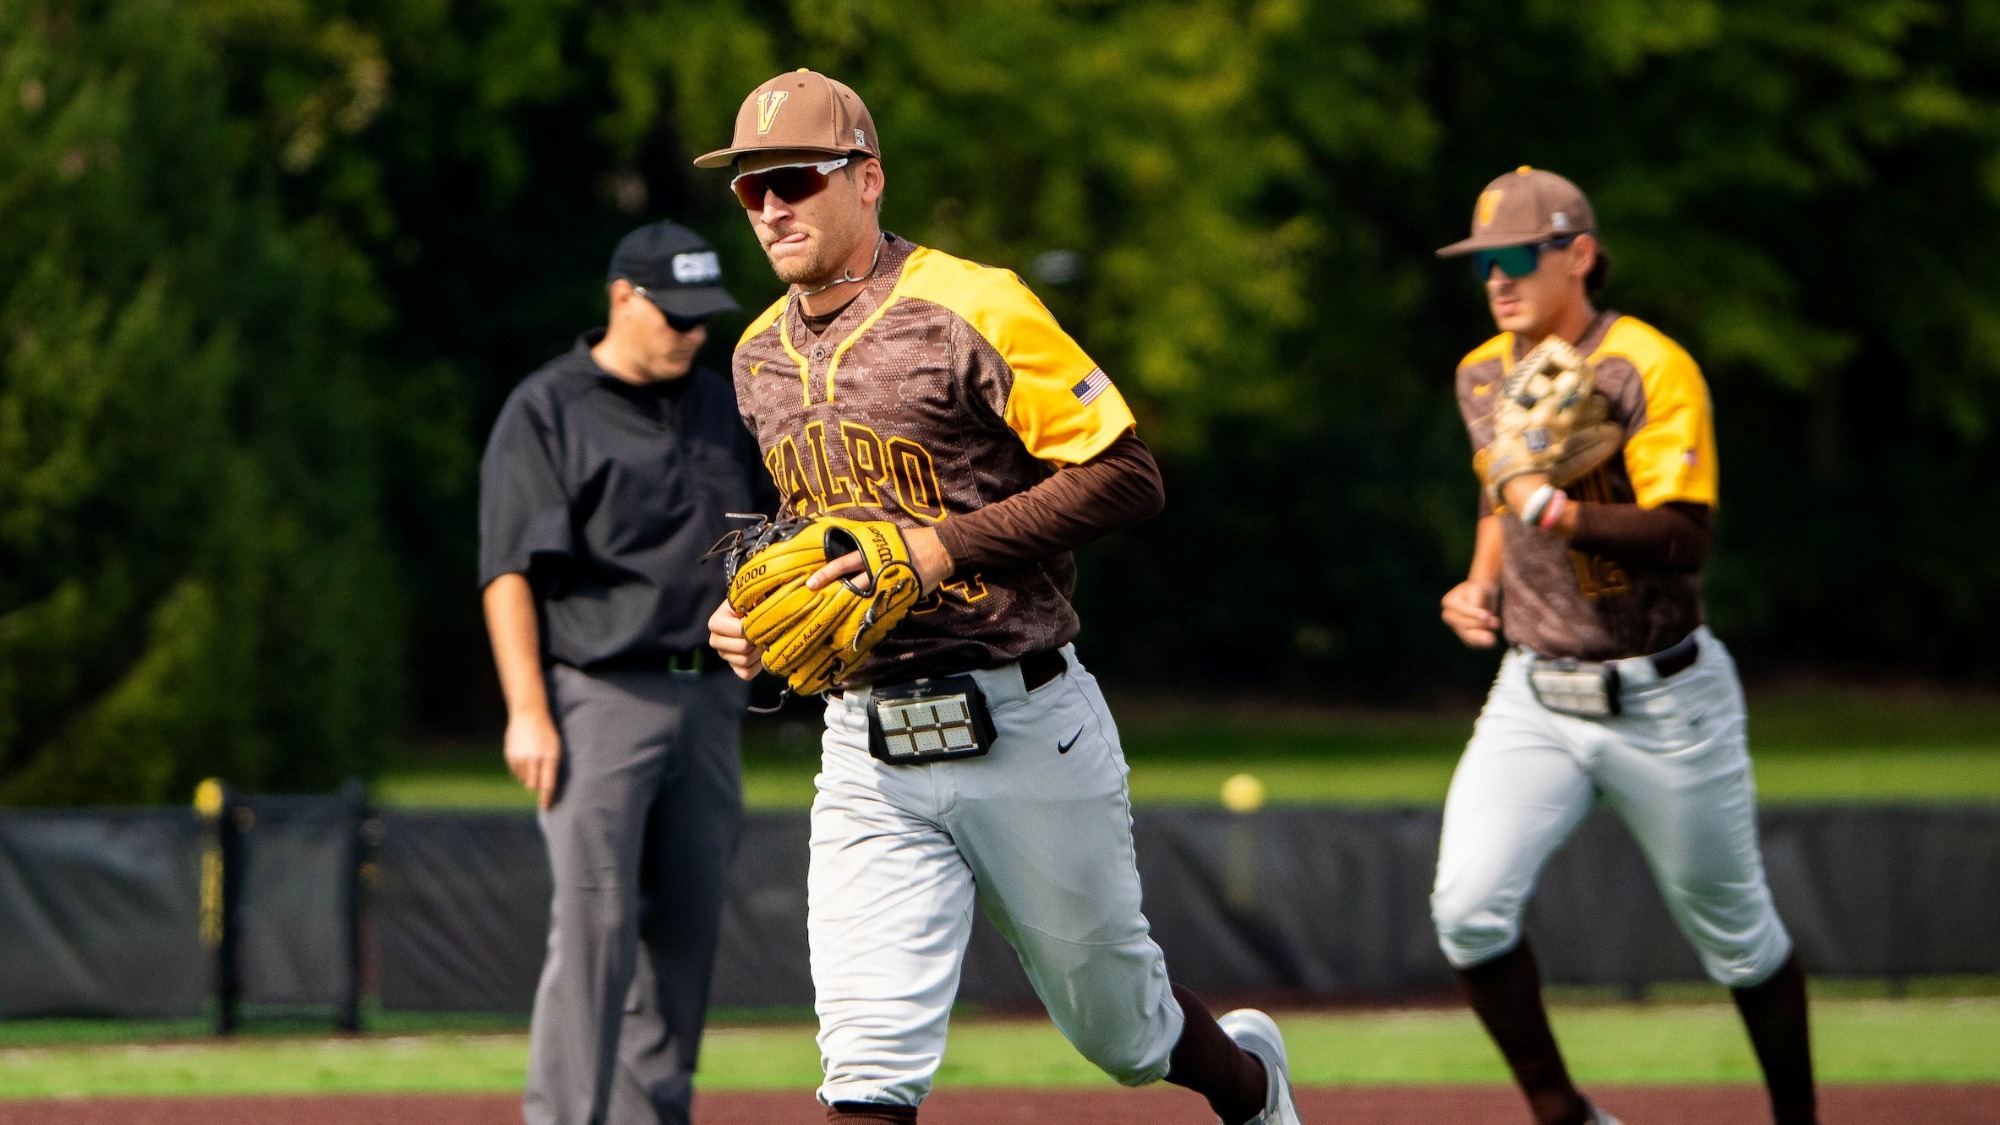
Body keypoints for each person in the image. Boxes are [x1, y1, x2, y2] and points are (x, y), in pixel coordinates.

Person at [697, 69, 1303, 1125]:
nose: (771, 207)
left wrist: (940, 549)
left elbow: (1126, 476)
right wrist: (756, 613)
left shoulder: (969, 304)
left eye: (793, 177)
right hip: (867, 743)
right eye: (750, 190)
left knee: (1121, 1033)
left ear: (866, 179)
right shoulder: (757, 356)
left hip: (1021, 718)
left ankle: (1250, 1090)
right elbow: (816, 529)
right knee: (865, 1061)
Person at [1430, 167, 1818, 1125]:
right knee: (1467, 911)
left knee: (1736, 937)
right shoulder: (1483, 370)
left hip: (1666, 698)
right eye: (1485, 264)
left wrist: (1551, 508)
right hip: (1535, 691)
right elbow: (1500, 493)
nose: (1498, 281)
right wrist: (1482, 579)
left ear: (1581, 254)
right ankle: (1564, 1114)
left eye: (1518, 258)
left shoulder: (1643, 363)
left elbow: (1685, 536)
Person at [479, 220, 772, 1125]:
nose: (691, 332)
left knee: (684, 933)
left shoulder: (727, 405)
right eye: (674, 314)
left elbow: (768, 546)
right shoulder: (547, 407)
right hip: (598, 697)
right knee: (599, 926)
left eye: (702, 317)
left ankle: (654, 1117)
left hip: (710, 703)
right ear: (621, 298)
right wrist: (527, 709)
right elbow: (509, 570)